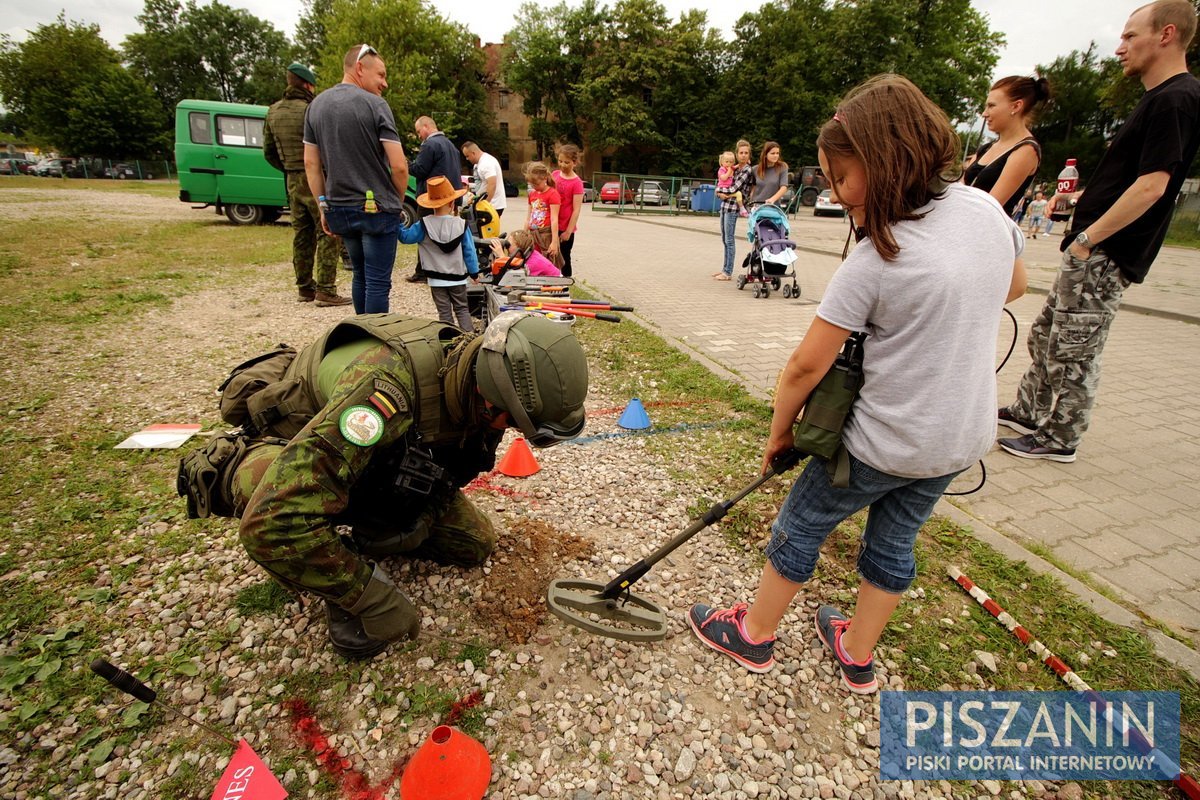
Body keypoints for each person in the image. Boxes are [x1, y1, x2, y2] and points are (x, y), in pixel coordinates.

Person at [687, 75, 1026, 690]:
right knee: (895, 540)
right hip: (956, 439)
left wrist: (780, 433)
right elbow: (1016, 284)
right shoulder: (982, 207)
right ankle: (857, 651)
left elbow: (804, 368)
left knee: (801, 522)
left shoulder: (878, 258)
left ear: (885, 158)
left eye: (841, 176)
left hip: (881, 442)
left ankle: (754, 634)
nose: (836, 192)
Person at [177, 311, 589, 658]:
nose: (514, 431)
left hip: (379, 454)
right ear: (489, 397)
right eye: (513, 422)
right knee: (278, 505)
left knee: (472, 543)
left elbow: (450, 469)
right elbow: (271, 522)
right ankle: (314, 542)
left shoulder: (478, 383)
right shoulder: (381, 393)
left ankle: (361, 522)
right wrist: (369, 596)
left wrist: (419, 519)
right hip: (299, 437)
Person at [999, 0, 1200, 463]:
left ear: (1166, 34)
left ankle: (1060, 436)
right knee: (1049, 333)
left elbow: (1153, 185)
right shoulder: (1158, 97)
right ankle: (1031, 411)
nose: (1119, 48)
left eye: (1130, 36)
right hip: (1091, 246)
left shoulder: (1176, 98)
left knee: (1075, 346)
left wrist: (1090, 239)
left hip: (1106, 251)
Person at [304, 45, 409, 315]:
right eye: (381, 75)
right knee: (377, 281)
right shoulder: (375, 105)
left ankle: (360, 338)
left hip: (340, 208)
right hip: (376, 209)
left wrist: (322, 206)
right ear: (360, 68)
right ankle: (373, 346)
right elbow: (399, 166)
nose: (385, 83)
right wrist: (395, 204)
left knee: (359, 274)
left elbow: (311, 164)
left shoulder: (315, 106)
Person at [263, 63, 352, 307]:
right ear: (308, 84)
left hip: (292, 180)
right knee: (328, 232)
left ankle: (305, 287)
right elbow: (328, 147)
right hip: (317, 180)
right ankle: (326, 289)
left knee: (301, 235)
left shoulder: (273, 112)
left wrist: (289, 169)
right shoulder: (312, 110)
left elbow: (268, 152)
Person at [963, 76, 1051, 215]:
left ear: (1016, 106)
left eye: (991, 106)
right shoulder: (986, 148)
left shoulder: (1026, 150)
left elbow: (990, 206)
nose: (985, 113)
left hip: (987, 230)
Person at [399, 176, 478, 330]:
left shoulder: (423, 224)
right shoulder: (461, 224)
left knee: (444, 313)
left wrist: (399, 223)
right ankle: (469, 340)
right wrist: (474, 273)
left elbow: (405, 238)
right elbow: (469, 251)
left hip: (436, 279)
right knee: (462, 309)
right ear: (452, 203)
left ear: (430, 204)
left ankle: (449, 342)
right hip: (458, 278)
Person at [406, 116, 463, 284]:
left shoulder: (430, 144)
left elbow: (420, 170)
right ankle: (441, 268)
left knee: (425, 233)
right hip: (448, 197)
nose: (419, 136)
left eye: (418, 132)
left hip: (431, 197)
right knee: (444, 234)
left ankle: (423, 271)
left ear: (426, 126)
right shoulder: (450, 145)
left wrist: (405, 163)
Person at [714, 140, 755, 281]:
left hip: (733, 208)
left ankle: (728, 272)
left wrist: (719, 191)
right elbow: (721, 182)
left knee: (730, 240)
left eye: (746, 153)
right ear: (737, 154)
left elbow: (734, 188)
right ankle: (724, 269)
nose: (743, 155)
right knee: (724, 240)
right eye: (741, 153)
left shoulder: (746, 170)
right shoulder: (734, 168)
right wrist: (718, 192)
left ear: (749, 154)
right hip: (724, 206)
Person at [552, 144, 585, 277]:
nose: (563, 165)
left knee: (564, 258)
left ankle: (566, 285)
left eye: (567, 162)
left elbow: (576, 210)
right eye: (560, 161)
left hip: (565, 227)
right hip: (552, 224)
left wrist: (568, 231)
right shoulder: (554, 175)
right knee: (550, 256)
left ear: (575, 163)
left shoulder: (577, 183)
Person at [524, 161, 563, 269]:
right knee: (533, 262)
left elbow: (554, 219)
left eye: (536, 184)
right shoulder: (532, 194)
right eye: (532, 185)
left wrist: (554, 242)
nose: (534, 187)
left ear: (545, 178)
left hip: (545, 236)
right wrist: (524, 234)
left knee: (547, 263)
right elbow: (528, 216)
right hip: (533, 235)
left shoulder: (552, 194)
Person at [488, 229, 563, 277]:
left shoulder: (533, 262)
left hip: (557, 288)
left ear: (519, 247)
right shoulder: (527, 254)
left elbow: (513, 276)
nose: (507, 247)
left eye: (509, 245)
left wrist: (502, 256)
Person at [461, 141, 507, 218]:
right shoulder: (478, 164)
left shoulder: (487, 163)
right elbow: (480, 183)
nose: (467, 159)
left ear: (473, 153)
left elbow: (492, 184)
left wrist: (485, 203)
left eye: (467, 156)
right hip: (483, 204)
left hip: (492, 205)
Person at [747, 141, 790, 209]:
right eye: (773, 153)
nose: (776, 155)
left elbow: (784, 187)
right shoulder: (755, 169)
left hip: (773, 207)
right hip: (756, 207)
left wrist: (772, 199)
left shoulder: (782, 167)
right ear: (765, 155)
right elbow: (751, 188)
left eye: (777, 153)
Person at [716, 151, 748, 217]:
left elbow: (737, 166)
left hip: (728, 189)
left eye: (731, 162)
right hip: (723, 188)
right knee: (738, 194)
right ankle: (742, 208)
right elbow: (724, 178)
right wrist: (729, 171)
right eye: (726, 162)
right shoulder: (721, 169)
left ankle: (741, 208)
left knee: (736, 194)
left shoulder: (731, 168)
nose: (728, 164)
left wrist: (744, 163)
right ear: (722, 162)